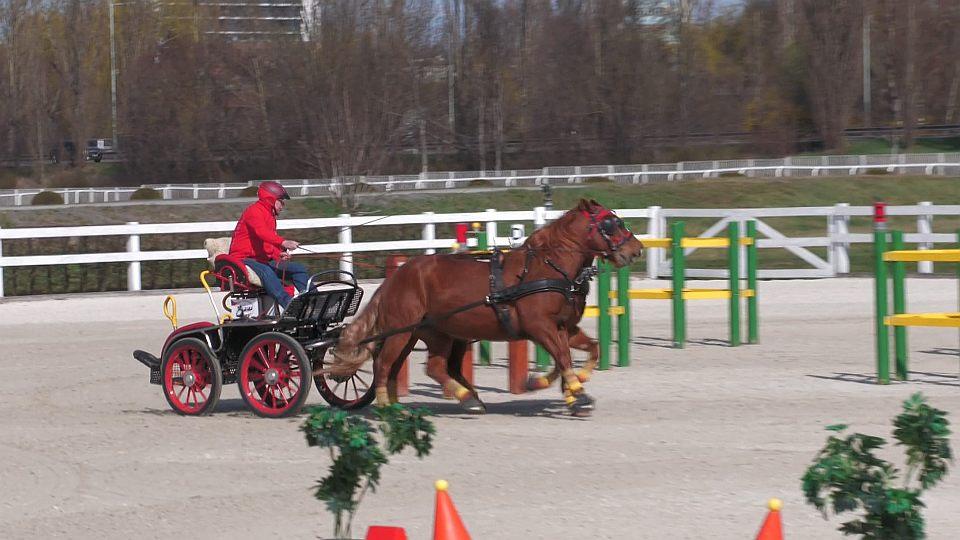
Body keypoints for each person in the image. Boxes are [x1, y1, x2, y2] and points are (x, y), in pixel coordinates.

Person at [229, 181, 308, 309]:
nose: (283, 205)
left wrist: (278, 254)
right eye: (281, 201)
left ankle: (312, 301)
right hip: (243, 259)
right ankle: (290, 305)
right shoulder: (254, 211)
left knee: (298, 269)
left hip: (261, 260)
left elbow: (267, 243)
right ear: (271, 199)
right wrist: (284, 242)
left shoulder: (270, 216)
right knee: (266, 271)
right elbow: (262, 233)